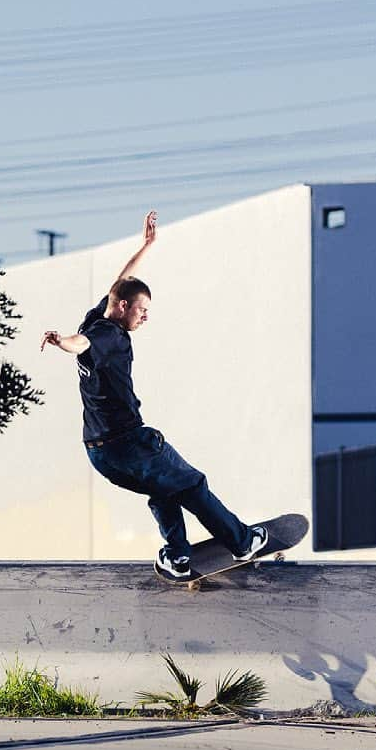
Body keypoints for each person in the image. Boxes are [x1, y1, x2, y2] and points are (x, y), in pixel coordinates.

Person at [40, 210, 266, 579]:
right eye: (142, 310)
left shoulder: (97, 315)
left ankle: (176, 557)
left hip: (99, 452)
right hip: (130, 442)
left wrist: (147, 245)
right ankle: (241, 541)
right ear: (124, 307)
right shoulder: (105, 335)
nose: (145, 317)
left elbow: (121, 280)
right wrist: (61, 341)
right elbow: (80, 344)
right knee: (191, 484)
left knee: (164, 489)